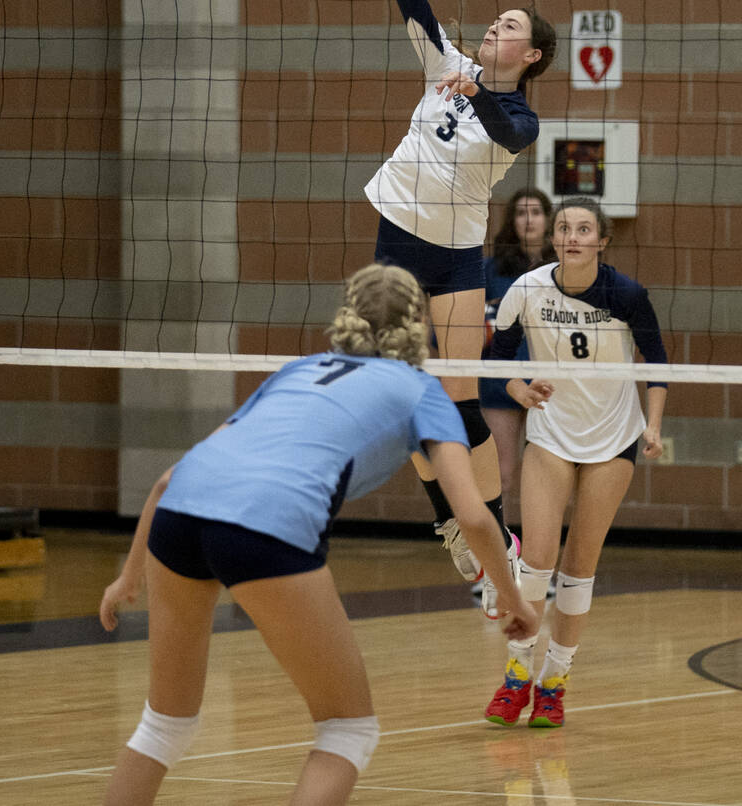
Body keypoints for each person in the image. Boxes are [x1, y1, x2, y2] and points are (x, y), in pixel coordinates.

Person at [99, 263, 538, 806]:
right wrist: (514, 598)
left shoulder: (299, 370)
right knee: (345, 730)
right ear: (420, 326)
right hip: (266, 525)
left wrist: (128, 577)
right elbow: (472, 516)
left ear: (347, 317)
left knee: (164, 724)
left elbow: (168, 478)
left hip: (180, 516)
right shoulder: (423, 391)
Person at [365, 0, 556, 619]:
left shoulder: (517, 116)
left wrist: (476, 85)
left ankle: (493, 540)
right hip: (398, 242)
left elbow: (507, 123)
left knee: (456, 392)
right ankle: (456, 529)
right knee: (405, 395)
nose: (493, 28)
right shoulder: (444, 63)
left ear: (531, 53)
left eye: (509, 27)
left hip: (454, 256)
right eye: (494, 22)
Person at [483, 197, 666, 729]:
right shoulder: (528, 288)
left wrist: (652, 424)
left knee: (579, 567)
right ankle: (517, 677)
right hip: (551, 432)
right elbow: (494, 362)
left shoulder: (627, 294)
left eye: (585, 229)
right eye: (565, 228)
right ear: (554, 238)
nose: (572, 237)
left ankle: (555, 684)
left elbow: (657, 364)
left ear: (602, 241)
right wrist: (521, 390)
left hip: (613, 439)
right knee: (537, 559)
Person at [480, 187, 554, 492]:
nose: (528, 220)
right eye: (521, 213)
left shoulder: (562, 272)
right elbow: (458, 325)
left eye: (536, 212)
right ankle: (498, 541)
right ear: (511, 221)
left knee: (547, 477)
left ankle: (542, 540)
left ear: (548, 220)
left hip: (549, 383)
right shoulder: (490, 270)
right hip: (501, 384)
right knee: (501, 474)